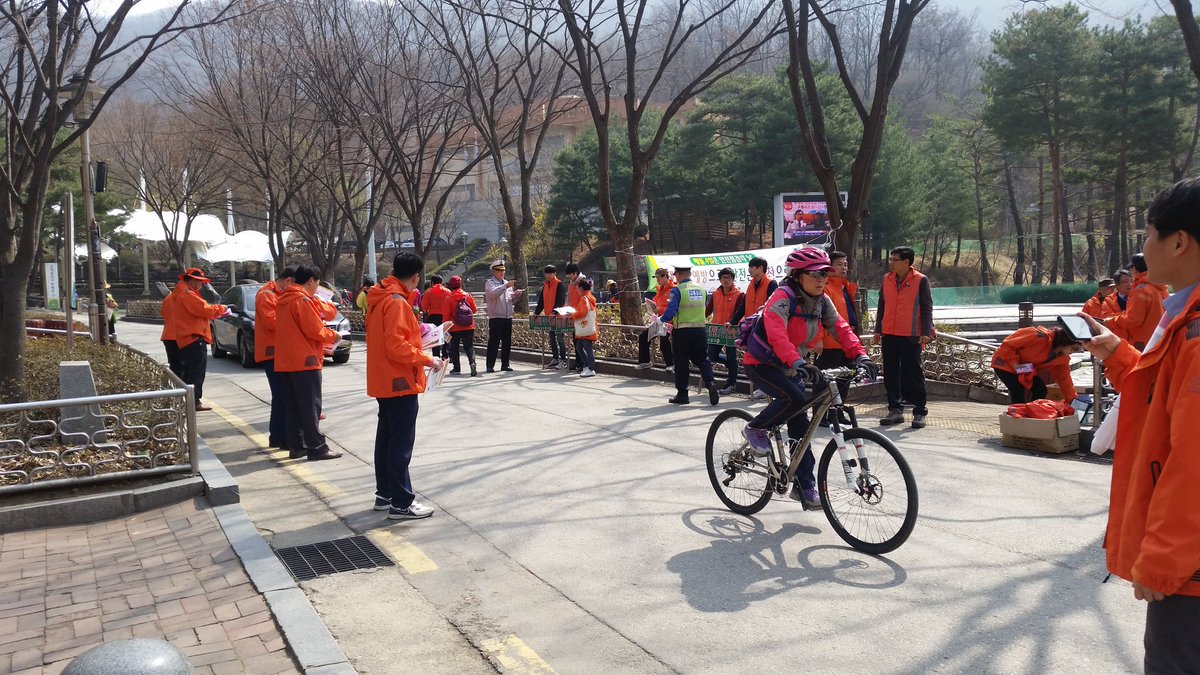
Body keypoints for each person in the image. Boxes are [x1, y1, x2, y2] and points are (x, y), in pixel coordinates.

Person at [1077, 177, 1200, 673]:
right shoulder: (1185, 315)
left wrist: (1163, 560)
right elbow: (1165, 399)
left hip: (1190, 574)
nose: (1144, 250)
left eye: (1148, 235)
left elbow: (1193, 462)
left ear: (1179, 241)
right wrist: (1119, 353)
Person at [741, 248, 871, 508]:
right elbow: (777, 335)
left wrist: (861, 355)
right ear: (798, 276)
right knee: (796, 398)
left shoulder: (822, 300)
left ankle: (804, 487)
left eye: (824, 273)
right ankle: (755, 428)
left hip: (792, 366)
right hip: (762, 363)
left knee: (802, 432)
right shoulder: (782, 297)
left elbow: (841, 328)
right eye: (814, 274)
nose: (821, 279)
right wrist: (798, 362)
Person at [366, 252, 443, 520]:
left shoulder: (380, 297)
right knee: (400, 443)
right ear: (416, 277)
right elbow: (397, 346)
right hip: (400, 380)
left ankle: (385, 494)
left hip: (384, 379)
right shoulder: (397, 302)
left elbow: (389, 339)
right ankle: (401, 502)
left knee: (386, 439)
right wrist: (427, 359)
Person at [275, 265, 343, 461]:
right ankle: (317, 447)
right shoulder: (302, 300)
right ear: (311, 281)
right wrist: (334, 335)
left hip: (287, 361)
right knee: (310, 406)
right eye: (317, 283)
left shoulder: (284, 299)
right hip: (305, 361)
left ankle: (297, 446)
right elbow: (315, 330)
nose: (316, 288)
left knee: (294, 406)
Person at [873, 246, 934, 429]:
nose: (891, 263)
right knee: (890, 373)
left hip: (911, 334)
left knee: (913, 373)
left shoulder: (920, 280)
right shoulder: (887, 279)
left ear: (906, 262)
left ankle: (919, 411)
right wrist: (878, 329)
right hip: (889, 333)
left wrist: (926, 332)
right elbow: (882, 305)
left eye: (895, 260)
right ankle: (895, 409)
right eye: (891, 259)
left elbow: (927, 308)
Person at [169, 268, 229, 412]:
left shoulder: (180, 293)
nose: (201, 286)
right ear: (192, 281)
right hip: (194, 339)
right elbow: (205, 310)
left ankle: (188, 401)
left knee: (190, 372)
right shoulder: (187, 295)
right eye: (200, 282)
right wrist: (223, 308)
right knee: (196, 373)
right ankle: (194, 402)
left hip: (187, 338)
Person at [658, 264, 719, 405]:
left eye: (675, 274)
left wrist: (660, 320)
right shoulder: (702, 290)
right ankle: (711, 383)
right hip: (700, 330)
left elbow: (671, 311)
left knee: (681, 362)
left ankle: (682, 394)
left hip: (682, 332)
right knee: (702, 359)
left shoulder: (677, 290)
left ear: (679, 274)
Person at [255, 267, 295, 450]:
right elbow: (271, 322)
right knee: (281, 395)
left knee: (282, 396)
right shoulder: (267, 295)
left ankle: (278, 437)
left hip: (281, 350)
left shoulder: (277, 294)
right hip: (273, 352)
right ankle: (280, 437)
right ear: (288, 281)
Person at [990, 326, 1081, 404]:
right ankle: (1017, 415)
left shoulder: (1062, 359)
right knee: (1017, 389)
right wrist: (1015, 365)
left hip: (1024, 369)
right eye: (1073, 348)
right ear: (1065, 342)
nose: (1072, 352)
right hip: (1004, 362)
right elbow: (1007, 345)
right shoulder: (1036, 335)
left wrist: (1073, 401)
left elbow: (1065, 380)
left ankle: (1031, 412)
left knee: (1040, 390)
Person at [1105, 254, 1169, 350]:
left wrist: (1111, 321)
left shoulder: (1140, 290)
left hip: (1144, 344)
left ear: (1134, 269)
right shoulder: (1161, 287)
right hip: (1161, 340)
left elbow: (1133, 320)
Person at [738, 256, 778, 400]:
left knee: (764, 358)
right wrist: (733, 321)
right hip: (751, 327)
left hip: (765, 327)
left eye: (751, 267)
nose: (749, 270)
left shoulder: (771, 284)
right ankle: (762, 387)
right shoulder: (751, 284)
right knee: (753, 358)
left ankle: (767, 388)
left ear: (760, 268)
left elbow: (772, 305)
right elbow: (743, 306)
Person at [706, 267, 744, 395]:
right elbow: (708, 310)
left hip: (731, 330)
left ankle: (731, 384)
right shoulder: (715, 293)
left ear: (733, 279)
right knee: (711, 356)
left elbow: (739, 313)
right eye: (723, 277)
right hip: (716, 329)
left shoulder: (739, 295)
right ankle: (731, 364)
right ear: (720, 279)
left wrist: (733, 323)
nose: (726, 280)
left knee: (732, 356)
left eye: (729, 277)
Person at [484, 259, 521, 373]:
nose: (502, 273)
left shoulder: (506, 283)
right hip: (496, 316)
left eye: (503, 270)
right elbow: (493, 294)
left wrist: (515, 295)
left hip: (507, 316)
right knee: (494, 342)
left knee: (507, 342)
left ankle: (505, 364)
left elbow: (509, 300)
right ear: (494, 271)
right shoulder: (490, 283)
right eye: (499, 270)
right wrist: (506, 286)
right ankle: (490, 365)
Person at [637, 268, 676, 371]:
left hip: (670, 322)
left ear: (665, 276)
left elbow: (673, 308)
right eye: (656, 278)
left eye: (658, 278)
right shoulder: (659, 290)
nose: (657, 280)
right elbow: (657, 304)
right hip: (659, 320)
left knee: (664, 341)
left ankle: (670, 364)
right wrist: (652, 307)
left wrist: (659, 309)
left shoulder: (673, 290)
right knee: (643, 337)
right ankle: (645, 362)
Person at [534, 265, 569, 369]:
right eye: (547, 273)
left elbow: (560, 301)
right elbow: (541, 302)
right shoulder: (545, 285)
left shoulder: (560, 285)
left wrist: (554, 312)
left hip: (558, 316)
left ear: (555, 273)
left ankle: (563, 360)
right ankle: (555, 358)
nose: (548, 275)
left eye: (550, 273)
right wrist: (536, 312)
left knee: (560, 338)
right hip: (549, 317)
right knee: (552, 338)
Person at [444, 275, 479, 376]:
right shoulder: (468, 296)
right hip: (469, 326)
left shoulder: (449, 297)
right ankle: (472, 362)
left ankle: (457, 368)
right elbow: (474, 310)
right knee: (469, 346)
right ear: (461, 284)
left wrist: (445, 327)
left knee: (454, 348)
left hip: (454, 327)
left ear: (451, 285)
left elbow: (446, 315)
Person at [572, 278, 598, 377]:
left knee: (586, 348)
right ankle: (587, 366)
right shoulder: (589, 297)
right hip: (587, 326)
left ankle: (590, 368)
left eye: (577, 288)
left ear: (581, 288)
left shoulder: (584, 298)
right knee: (580, 347)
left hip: (585, 327)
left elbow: (582, 312)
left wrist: (573, 315)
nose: (577, 290)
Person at [421, 274, 450, 358]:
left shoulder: (428, 292)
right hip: (445, 316)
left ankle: (436, 356)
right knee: (446, 335)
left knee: (435, 337)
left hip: (433, 317)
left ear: (432, 282)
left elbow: (424, 307)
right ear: (441, 282)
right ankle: (445, 354)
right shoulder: (448, 291)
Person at [159, 281, 184, 379]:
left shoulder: (167, 299)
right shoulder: (186, 298)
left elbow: (163, 314)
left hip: (168, 335)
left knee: (173, 364)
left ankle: (174, 385)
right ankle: (183, 386)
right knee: (183, 366)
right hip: (181, 336)